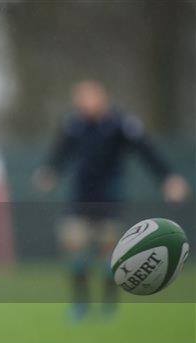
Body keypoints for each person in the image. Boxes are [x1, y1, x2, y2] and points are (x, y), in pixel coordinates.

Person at [32, 80, 190, 320]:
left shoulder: (122, 125)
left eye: (89, 98)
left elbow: (147, 152)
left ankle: (108, 306)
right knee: (74, 250)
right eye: (80, 100)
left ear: (102, 98)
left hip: (109, 200)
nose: (85, 104)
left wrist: (168, 178)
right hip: (79, 200)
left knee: (110, 256)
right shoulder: (73, 125)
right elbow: (60, 153)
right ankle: (80, 305)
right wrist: (50, 172)